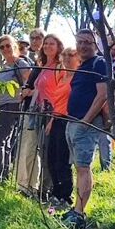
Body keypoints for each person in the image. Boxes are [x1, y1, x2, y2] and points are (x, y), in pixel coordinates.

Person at [64, 28, 110, 229]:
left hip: (86, 124)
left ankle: (80, 213)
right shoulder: (83, 65)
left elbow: (102, 95)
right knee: (78, 168)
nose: (83, 46)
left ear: (95, 44)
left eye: (88, 42)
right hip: (73, 122)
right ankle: (76, 208)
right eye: (80, 42)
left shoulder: (99, 63)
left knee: (83, 168)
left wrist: (86, 120)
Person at [18, 33, 63, 199]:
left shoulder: (61, 66)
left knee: (47, 153)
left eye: (52, 43)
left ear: (58, 47)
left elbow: (62, 92)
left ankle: (46, 189)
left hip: (51, 113)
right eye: (46, 44)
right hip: (35, 111)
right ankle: (29, 187)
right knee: (31, 149)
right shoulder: (41, 65)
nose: (47, 46)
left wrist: (53, 117)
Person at [0, 34, 29, 181]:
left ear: (14, 46)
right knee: (5, 140)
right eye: (2, 47)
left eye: (8, 45)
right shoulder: (4, 67)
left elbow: (30, 84)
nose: (5, 49)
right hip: (2, 106)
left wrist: (22, 96)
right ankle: (3, 175)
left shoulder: (21, 64)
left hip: (13, 107)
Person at [38, 46, 77, 208]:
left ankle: (66, 196)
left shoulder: (79, 77)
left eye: (71, 55)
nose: (67, 58)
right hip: (56, 119)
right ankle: (56, 192)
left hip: (69, 120)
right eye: (65, 55)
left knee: (63, 160)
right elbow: (57, 103)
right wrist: (51, 121)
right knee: (51, 158)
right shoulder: (62, 77)